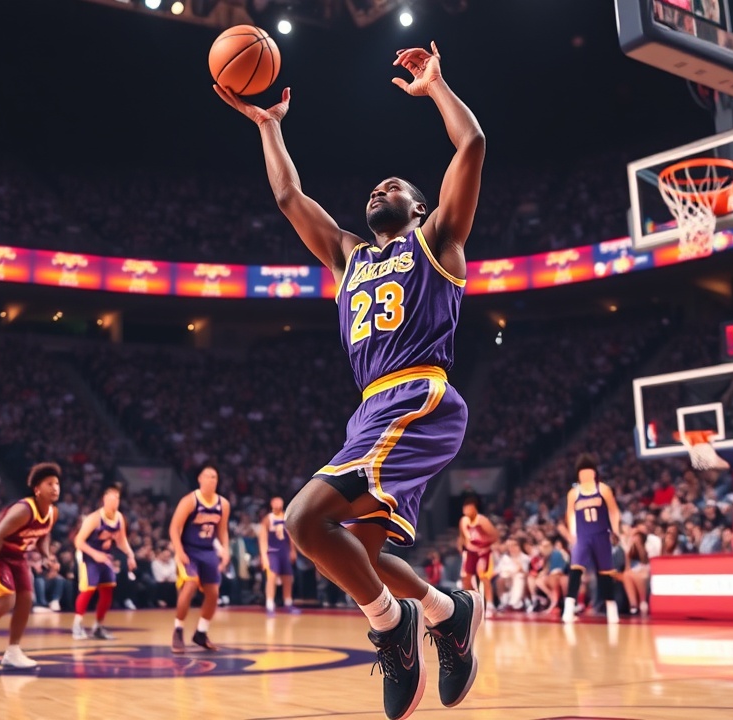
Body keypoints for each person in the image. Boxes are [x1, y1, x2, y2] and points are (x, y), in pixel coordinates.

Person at [216, 39, 486, 720]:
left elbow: (472, 145)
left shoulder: (437, 241)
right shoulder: (348, 256)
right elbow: (288, 195)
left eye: (393, 187)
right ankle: (445, 610)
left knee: (303, 520)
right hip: (372, 411)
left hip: (417, 396)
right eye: (373, 188)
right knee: (355, 553)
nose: (378, 190)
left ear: (420, 209)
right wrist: (269, 127)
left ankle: (392, 627)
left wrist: (436, 87)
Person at [0, 462, 61, 669]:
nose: (55, 488)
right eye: (49, 484)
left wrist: (46, 555)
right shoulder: (24, 510)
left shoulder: (53, 513)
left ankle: (13, 651)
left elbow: (44, 535)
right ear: (37, 489)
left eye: (57, 484)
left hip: (17, 555)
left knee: (26, 600)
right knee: (7, 600)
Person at [168, 465, 231, 653]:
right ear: (200, 479)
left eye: (215, 477)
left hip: (208, 551)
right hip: (189, 550)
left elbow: (222, 531)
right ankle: (178, 630)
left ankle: (201, 633)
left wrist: (226, 550)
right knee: (190, 585)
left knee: (213, 593)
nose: (212, 480)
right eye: (208, 476)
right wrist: (179, 551)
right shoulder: (190, 500)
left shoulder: (223, 504)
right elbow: (174, 527)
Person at [562, 453, 623, 624]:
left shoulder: (603, 489)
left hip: (601, 534)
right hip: (582, 536)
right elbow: (570, 514)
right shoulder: (573, 493)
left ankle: (612, 611)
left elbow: (613, 511)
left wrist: (615, 530)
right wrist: (572, 534)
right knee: (576, 570)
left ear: (595, 472)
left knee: (605, 572)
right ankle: (568, 610)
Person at [73, 485, 137, 640]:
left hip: (104, 556)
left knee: (108, 589)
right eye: (111, 499)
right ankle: (77, 625)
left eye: (117, 499)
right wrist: (95, 554)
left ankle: (98, 626)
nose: (114, 502)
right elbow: (78, 541)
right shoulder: (94, 518)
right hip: (87, 555)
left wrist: (130, 554)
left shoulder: (119, 517)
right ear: (104, 500)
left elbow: (121, 540)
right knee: (88, 589)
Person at [258, 496, 299, 616]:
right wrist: (264, 556)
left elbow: (291, 536)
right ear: (271, 504)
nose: (277, 504)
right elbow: (263, 539)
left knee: (288, 577)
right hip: (272, 552)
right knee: (271, 578)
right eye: (275, 502)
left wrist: (293, 550)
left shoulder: (286, 517)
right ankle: (270, 604)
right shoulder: (268, 519)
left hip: (284, 552)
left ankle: (288, 603)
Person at [457, 497, 497, 612]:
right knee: (466, 577)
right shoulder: (463, 521)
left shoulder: (482, 520)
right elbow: (462, 537)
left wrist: (484, 546)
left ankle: (490, 603)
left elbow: (494, 536)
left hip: (483, 552)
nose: (467, 510)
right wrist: (461, 547)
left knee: (483, 576)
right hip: (470, 552)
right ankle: (471, 602)